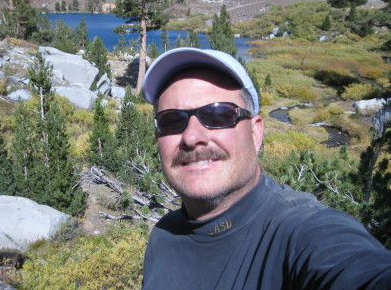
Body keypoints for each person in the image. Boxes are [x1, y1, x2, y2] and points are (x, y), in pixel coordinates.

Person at [140, 47, 391, 290]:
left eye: (218, 115)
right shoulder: (162, 236)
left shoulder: (304, 231)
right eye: (171, 120)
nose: (192, 137)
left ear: (255, 132)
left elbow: (360, 270)